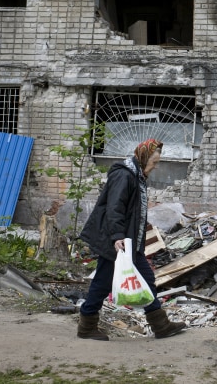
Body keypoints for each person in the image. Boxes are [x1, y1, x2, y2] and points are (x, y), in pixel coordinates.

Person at [76, 138, 187, 341]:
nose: (155, 166)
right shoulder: (124, 175)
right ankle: (86, 325)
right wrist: (117, 236)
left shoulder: (136, 176)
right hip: (117, 240)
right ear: (143, 158)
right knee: (102, 283)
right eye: (153, 162)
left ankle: (161, 325)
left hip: (129, 242)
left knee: (146, 277)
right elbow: (114, 208)